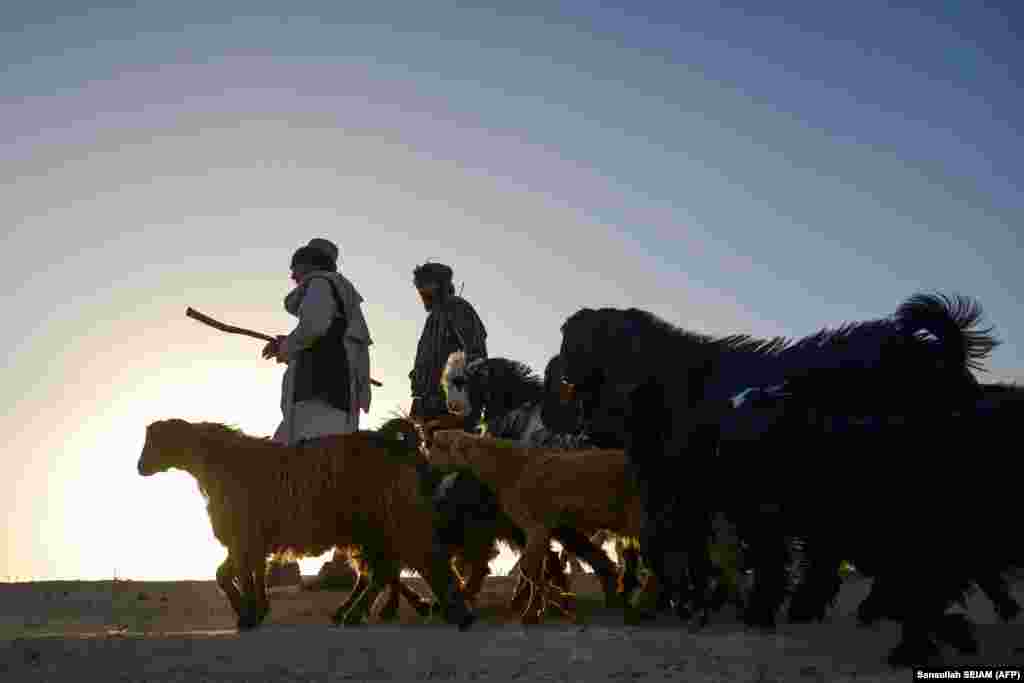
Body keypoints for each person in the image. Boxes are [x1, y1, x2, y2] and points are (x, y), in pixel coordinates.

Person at [263, 238, 373, 446]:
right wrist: (288, 346)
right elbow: (325, 337)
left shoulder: (320, 283)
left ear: (309, 264)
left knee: (295, 463)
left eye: (294, 268)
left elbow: (314, 326)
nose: (292, 276)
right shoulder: (340, 295)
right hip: (335, 398)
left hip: (319, 396)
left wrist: (287, 347)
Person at [408, 262, 488, 424]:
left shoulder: (457, 307)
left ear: (438, 285)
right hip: (429, 406)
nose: (421, 292)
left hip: (450, 406)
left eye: (424, 285)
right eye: (419, 287)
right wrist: (418, 398)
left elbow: (476, 356)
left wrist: (457, 402)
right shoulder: (433, 318)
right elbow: (425, 365)